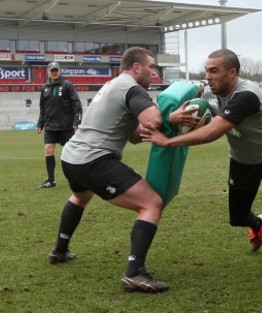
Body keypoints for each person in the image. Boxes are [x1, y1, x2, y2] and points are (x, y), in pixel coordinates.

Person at [140, 49, 262, 283]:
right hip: (242, 162)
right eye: (207, 71)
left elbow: (212, 133)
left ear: (232, 73)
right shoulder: (209, 93)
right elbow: (177, 96)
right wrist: (173, 117)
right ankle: (257, 222)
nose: (208, 76)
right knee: (237, 218)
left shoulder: (247, 95)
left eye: (214, 71)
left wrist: (168, 142)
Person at [47, 47, 179, 293]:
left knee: (80, 196)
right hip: (93, 160)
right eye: (151, 67)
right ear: (137, 67)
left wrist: (161, 127)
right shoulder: (131, 87)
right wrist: (173, 117)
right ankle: (135, 273)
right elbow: (153, 121)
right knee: (151, 203)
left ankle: (60, 250)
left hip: (71, 158)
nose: (154, 72)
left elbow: (135, 136)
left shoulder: (111, 85)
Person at [36, 61, 82, 188]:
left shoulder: (68, 85)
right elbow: (43, 108)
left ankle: (75, 178)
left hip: (66, 126)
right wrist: (40, 123)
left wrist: (76, 121)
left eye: (56, 70)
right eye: (52, 70)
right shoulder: (44, 88)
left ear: (59, 71)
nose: (54, 72)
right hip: (50, 126)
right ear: (48, 72)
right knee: (48, 149)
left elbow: (76, 104)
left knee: (70, 153)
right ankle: (51, 180)